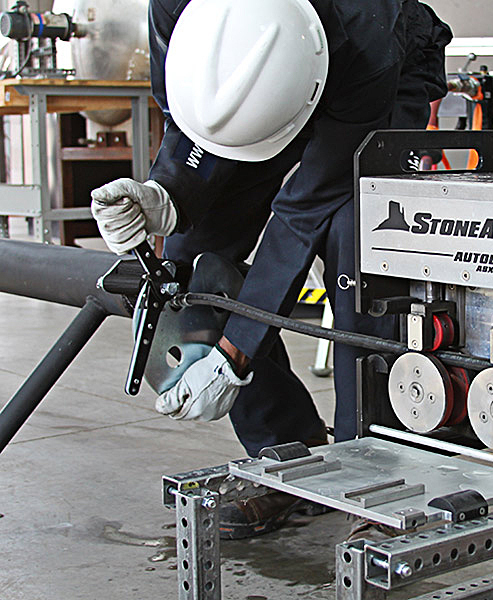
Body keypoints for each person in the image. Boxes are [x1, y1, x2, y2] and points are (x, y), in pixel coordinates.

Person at [90, 0, 451, 538]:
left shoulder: (364, 37)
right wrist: (170, 191)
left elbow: (304, 212)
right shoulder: (176, 6)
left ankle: (376, 477)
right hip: (261, 91)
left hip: (378, 80)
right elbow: (189, 121)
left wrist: (233, 354)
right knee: (191, 268)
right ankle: (287, 454)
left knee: (357, 245)